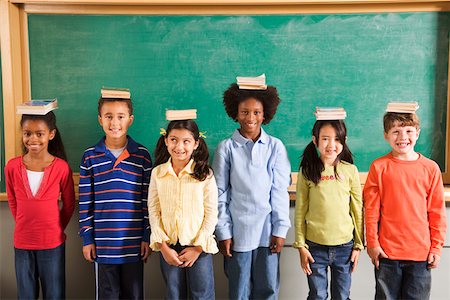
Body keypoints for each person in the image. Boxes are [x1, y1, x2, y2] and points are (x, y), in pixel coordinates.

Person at [213, 82, 291, 299]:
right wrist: (224, 232)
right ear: (235, 114)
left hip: (267, 232)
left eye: (256, 112)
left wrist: (281, 229)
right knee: (239, 291)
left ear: (265, 114)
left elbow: (279, 191)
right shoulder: (226, 148)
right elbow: (219, 193)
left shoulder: (275, 147)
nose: (250, 118)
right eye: (244, 112)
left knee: (268, 289)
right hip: (238, 234)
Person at [364, 110, 447, 300]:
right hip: (387, 254)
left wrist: (436, 247)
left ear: (417, 133)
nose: (403, 137)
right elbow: (371, 210)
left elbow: (437, 212)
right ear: (386, 136)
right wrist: (373, 244)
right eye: (395, 132)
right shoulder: (379, 167)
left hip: (420, 255)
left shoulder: (430, 168)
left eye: (409, 131)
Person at [78, 93, 152, 299]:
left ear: (130, 119)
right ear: (100, 119)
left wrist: (147, 236)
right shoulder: (90, 157)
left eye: (120, 116)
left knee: (133, 295)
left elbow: (147, 201)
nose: (114, 122)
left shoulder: (142, 156)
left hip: (133, 243)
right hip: (103, 244)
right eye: (108, 116)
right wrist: (87, 237)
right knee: (108, 295)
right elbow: (85, 202)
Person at [5, 111, 75, 299]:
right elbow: (12, 200)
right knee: (26, 294)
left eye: (39, 133)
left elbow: (69, 205)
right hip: (22, 242)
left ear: (51, 134)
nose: (33, 138)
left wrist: (56, 228)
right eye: (27, 133)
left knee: (54, 294)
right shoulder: (12, 167)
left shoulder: (61, 167)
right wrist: (23, 223)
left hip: (52, 243)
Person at [293, 116, 364, 300]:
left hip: (345, 247)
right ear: (315, 140)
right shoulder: (307, 171)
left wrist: (358, 245)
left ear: (344, 141)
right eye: (325, 138)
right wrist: (301, 245)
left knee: (342, 295)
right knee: (317, 295)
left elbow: (357, 210)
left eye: (337, 139)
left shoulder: (350, 171)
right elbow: (300, 210)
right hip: (315, 247)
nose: (331, 144)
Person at [148, 114, 218, 300]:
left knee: (202, 295)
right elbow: (153, 210)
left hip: (198, 247)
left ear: (196, 144)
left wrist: (197, 248)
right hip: (169, 246)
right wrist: (163, 247)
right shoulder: (158, 173)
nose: (179, 147)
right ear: (166, 141)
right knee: (174, 294)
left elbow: (211, 213)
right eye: (174, 140)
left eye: (186, 141)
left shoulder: (205, 174)